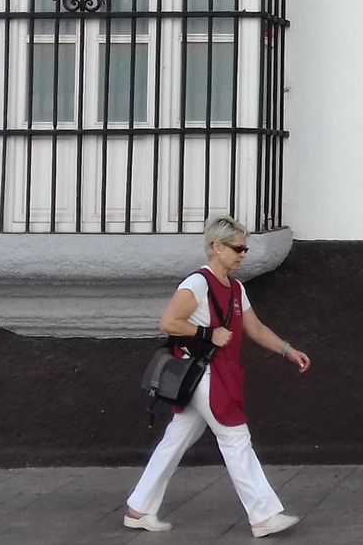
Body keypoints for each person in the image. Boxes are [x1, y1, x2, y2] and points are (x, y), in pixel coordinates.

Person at [124, 216, 312, 538]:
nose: (243, 254)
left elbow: (254, 328)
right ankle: (264, 515)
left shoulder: (236, 288)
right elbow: (169, 322)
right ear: (216, 247)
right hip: (205, 373)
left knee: (175, 440)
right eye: (237, 248)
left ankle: (138, 508)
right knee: (236, 438)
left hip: (216, 373)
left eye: (245, 249)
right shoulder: (197, 283)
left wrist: (286, 350)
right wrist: (209, 333)